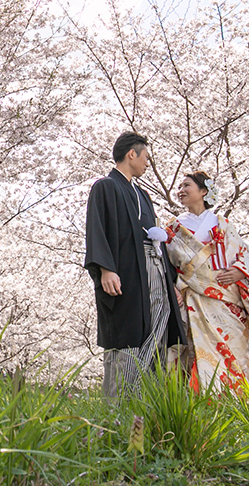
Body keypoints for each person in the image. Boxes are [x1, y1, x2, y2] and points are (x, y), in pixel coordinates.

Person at [85, 132, 186, 399]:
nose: (147, 164)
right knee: (127, 332)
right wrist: (106, 268)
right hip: (127, 271)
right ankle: (118, 409)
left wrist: (169, 281)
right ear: (132, 154)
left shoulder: (142, 195)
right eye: (146, 158)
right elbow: (97, 229)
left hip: (153, 269)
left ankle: (144, 405)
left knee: (157, 328)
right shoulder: (105, 186)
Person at [164, 171, 249, 396]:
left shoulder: (223, 224)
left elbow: (244, 252)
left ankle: (236, 403)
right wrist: (172, 286)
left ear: (204, 191)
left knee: (233, 352)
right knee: (196, 353)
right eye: (180, 187)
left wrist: (238, 271)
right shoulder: (173, 227)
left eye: (187, 186)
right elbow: (165, 264)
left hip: (226, 301)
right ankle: (199, 404)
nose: (181, 190)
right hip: (192, 297)